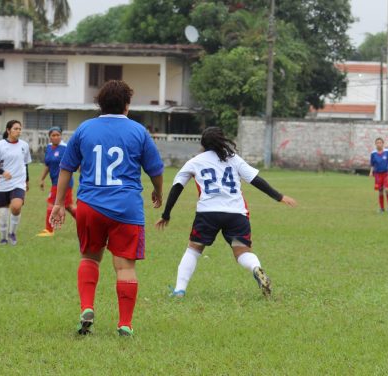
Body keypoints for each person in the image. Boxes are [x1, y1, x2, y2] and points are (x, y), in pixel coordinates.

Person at [49, 80, 164, 337]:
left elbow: (66, 168)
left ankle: (87, 308)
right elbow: (155, 170)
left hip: (90, 205)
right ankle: (125, 324)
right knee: (125, 267)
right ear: (127, 104)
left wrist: (58, 203)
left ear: (100, 103)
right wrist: (158, 191)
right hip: (127, 208)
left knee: (90, 258)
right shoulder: (138, 131)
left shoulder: (84, 129)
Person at [155, 126, 297, 298]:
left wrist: (166, 214)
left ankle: (179, 290)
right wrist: (279, 196)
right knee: (242, 251)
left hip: (208, 215)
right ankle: (255, 269)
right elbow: (256, 180)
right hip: (235, 215)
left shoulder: (195, 161)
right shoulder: (233, 159)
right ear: (222, 140)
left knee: (193, 250)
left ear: (203, 143)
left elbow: (177, 187)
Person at [0, 120, 31, 245]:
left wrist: (27, 180)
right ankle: (3, 238)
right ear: (8, 130)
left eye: (19, 129)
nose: (18, 131)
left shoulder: (24, 145)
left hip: (18, 183)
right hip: (2, 184)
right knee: (3, 215)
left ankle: (12, 233)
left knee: (16, 207)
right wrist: (2, 172)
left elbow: (25, 164)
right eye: (16, 128)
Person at [37, 127, 77, 237]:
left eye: (58, 135)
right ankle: (87, 223)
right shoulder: (49, 148)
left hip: (64, 183)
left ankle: (49, 230)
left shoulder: (65, 148)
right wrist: (42, 179)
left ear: (61, 136)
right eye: (53, 135)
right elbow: (47, 165)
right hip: (55, 181)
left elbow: (73, 163)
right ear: (49, 137)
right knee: (69, 206)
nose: (55, 137)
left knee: (51, 203)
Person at [369, 137, 388, 213]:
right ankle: (382, 208)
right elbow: (372, 164)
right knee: (380, 191)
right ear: (375, 144)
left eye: (380, 142)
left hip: (386, 174)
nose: (379, 144)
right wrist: (371, 172)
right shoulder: (373, 153)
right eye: (377, 143)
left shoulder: (387, 152)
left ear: (383, 143)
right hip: (377, 174)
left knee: (387, 190)